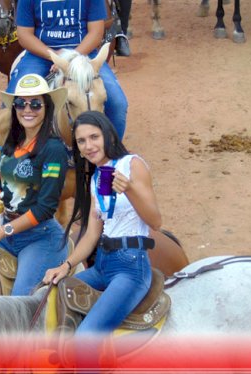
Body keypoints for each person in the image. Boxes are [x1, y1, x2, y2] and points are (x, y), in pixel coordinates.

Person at [42, 111, 161, 365]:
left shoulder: (132, 164)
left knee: (87, 339)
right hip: (103, 264)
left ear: (107, 134)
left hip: (130, 267)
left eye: (94, 137)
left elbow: (155, 221)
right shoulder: (97, 177)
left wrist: (129, 189)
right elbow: (93, 233)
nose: (88, 146)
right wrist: (66, 265)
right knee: (48, 297)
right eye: (82, 141)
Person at [0, 73, 69, 296]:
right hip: (7, 230)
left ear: (46, 108)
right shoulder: (13, 142)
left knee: (20, 300)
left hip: (41, 237)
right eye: (20, 103)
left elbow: (45, 208)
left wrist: (0, 232)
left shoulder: (54, 150)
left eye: (36, 104)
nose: (27, 110)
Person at [8, 0, 128, 139]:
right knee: (11, 101)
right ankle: (15, 154)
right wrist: (53, 55)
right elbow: (24, 35)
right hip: (40, 55)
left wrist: (69, 58)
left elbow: (96, 33)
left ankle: (111, 154)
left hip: (84, 52)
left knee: (117, 103)